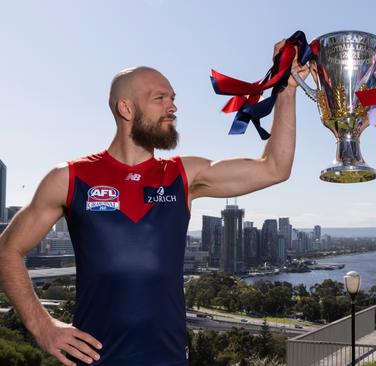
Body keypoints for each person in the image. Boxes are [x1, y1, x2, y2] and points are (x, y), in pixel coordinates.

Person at [0, 40, 307, 366]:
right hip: (94, 361)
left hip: (169, 359)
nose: (172, 107)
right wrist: (42, 326)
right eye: (160, 98)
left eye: (173, 99)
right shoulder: (69, 178)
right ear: (126, 108)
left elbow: (275, 168)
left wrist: (286, 91)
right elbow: (7, 249)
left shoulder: (183, 175)